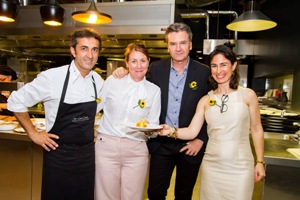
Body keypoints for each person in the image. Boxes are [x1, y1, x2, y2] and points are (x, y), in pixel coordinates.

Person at [113, 22, 210, 200]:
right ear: (167, 46)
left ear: (190, 44)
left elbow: (211, 110)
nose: (178, 48)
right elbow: (137, 75)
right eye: (173, 44)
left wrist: (201, 139)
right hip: (161, 144)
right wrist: (123, 71)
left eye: (182, 43)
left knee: (184, 194)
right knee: (155, 193)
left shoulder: (204, 73)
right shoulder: (155, 69)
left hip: (189, 145)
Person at [7, 28, 104, 200]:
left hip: (87, 156)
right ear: (73, 51)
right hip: (59, 156)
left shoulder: (97, 80)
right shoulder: (52, 78)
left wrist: (122, 75)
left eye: (94, 49)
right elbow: (15, 100)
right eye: (84, 48)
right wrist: (33, 133)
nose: (90, 55)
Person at [160, 44, 266, 200]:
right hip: (212, 166)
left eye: (224, 65)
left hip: (240, 166)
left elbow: (257, 129)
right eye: (214, 66)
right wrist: (171, 131)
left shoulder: (248, 95)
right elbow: (192, 131)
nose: (219, 70)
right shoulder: (205, 100)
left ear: (234, 65)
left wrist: (260, 161)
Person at [94, 43, 161, 200]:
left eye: (143, 61)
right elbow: (94, 107)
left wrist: (151, 130)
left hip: (136, 149)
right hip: (107, 147)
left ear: (149, 62)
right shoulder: (113, 80)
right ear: (126, 63)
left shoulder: (154, 90)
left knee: (133, 197)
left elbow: (153, 123)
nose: (138, 66)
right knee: (105, 196)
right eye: (134, 61)